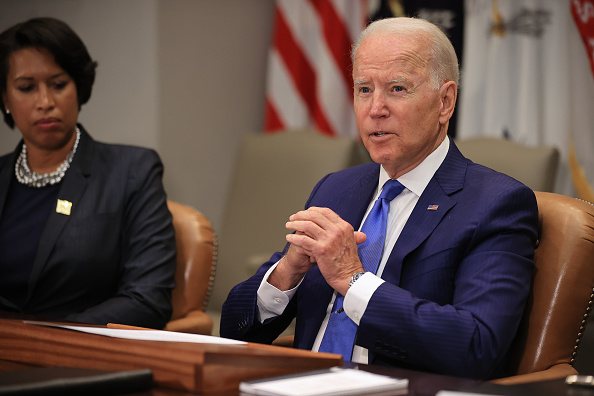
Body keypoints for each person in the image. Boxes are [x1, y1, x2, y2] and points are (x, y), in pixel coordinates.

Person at [220, 17, 538, 380]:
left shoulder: (496, 204)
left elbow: (476, 347)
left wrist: (353, 280)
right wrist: (286, 275)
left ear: (445, 102)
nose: (375, 109)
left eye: (398, 89)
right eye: (364, 89)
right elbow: (234, 330)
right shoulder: (336, 188)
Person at [0, 17, 176, 329]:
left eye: (58, 85)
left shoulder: (132, 171)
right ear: (5, 99)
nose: (45, 102)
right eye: (27, 88)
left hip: (79, 358)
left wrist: (47, 337)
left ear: (79, 88)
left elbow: (148, 299)